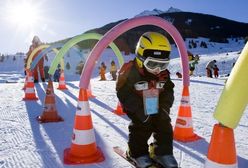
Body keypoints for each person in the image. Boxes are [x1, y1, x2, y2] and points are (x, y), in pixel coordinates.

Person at [116, 32, 178, 168]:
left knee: (164, 124)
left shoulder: (163, 74)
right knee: (142, 125)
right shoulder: (130, 71)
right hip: (136, 105)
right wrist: (138, 109)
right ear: (140, 57)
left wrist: (164, 106)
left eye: (162, 65)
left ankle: (162, 153)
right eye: (152, 64)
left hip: (155, 103)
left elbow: (168, 90)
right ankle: (136, 153)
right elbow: (123, 92)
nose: (157, 69)